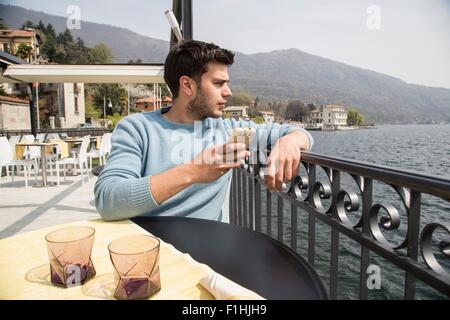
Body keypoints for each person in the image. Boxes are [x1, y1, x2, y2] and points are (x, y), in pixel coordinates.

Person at [94, 40, 313, 222]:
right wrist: (192, 172)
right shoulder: (137, 128)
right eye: (219, 83)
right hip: (150, 252)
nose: (228, 92)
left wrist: (290, 142)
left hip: (206, 253)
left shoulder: (228, 131)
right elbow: (107, 201)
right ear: (187, 86)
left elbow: (295, 132)